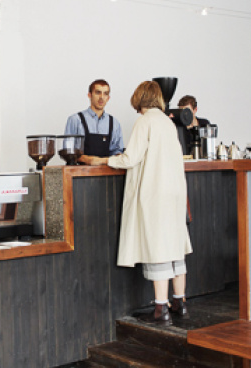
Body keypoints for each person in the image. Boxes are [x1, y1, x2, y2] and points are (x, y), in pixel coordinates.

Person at [81, 81, 192, 324]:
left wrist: (102, 161)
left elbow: (130, 158)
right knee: (175, 247)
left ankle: (160, 309)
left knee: (158, 247)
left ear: (139, 98)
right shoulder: (167, 122)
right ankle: (179, 302)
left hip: (156, 192)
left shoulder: (145, 121)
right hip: (174, 192)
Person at [64, 79, 124, 157]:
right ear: (89, 95)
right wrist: (88, 160)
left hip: (106, 165)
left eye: (105, 94)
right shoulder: (75, 120)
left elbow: (117, 151)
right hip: (78, 165)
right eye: (98, 92)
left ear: (108, 98)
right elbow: (68, 151)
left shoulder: (115, 123)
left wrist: (118, 156)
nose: (101, 97)